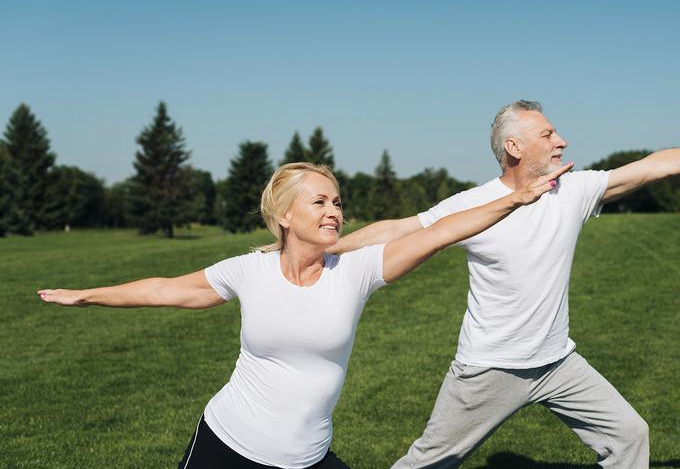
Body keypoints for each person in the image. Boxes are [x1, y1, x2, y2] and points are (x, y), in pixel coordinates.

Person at [327, 101, 680, 468]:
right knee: (427, 462)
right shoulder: (474, 205)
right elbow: (398, 230)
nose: (562, 141)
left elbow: (656, 166)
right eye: (548, 134)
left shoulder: (572, 191)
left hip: (557, 363)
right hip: (491, 369)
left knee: (630, 436)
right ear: (514, 147)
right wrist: (319, 250)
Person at [37, 161, 571, 469]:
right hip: (226, 445)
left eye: (337, 202)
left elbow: (441, 232)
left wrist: (516, 199)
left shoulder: (357, 270)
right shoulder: (249, 271)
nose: (334, 211)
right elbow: (164, 290)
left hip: (307, 458)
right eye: (319, 202)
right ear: (285, 215)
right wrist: (87, 296)